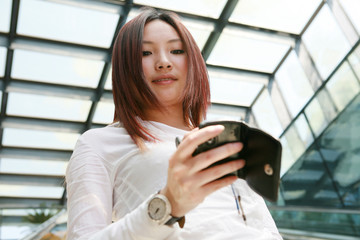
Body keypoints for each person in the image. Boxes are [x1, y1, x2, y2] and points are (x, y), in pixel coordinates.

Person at [66, 8, 282, 240]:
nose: (163, 62)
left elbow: (266, 228)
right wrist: (167, 205)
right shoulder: (98, 144)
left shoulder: (223, 139)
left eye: (176, 50)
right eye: (145, 53)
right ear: (125, 68)